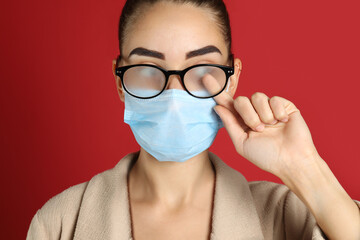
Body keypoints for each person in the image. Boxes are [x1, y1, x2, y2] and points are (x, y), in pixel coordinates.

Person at [27, 0, 360, 239]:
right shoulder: (58, 223)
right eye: (147, 68)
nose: (173, 93)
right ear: (119, 81)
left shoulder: (285, 217)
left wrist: (304, 167)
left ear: (231, 78)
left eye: (201, 68)